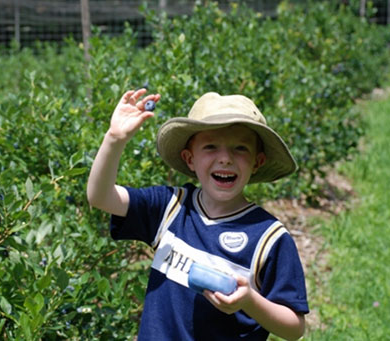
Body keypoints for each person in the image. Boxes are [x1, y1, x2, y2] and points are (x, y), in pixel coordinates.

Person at [87, 89, 309, 340]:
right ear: (189, 159)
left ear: (257, 162)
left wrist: (248, 301)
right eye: (211, 147)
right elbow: (100, 197)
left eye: (240, 148)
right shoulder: (170, 207)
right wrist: (115, 139)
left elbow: (294, 327)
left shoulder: (269, 237)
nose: (225, 158)